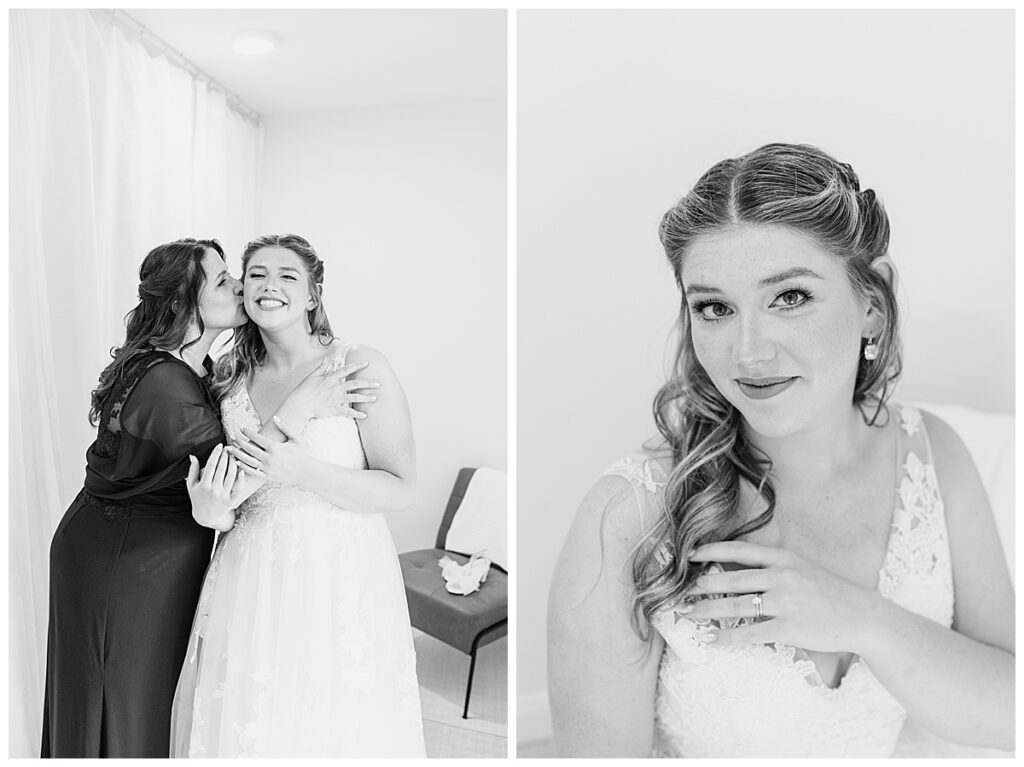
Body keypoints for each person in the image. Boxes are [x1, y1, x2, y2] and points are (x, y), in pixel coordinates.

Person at [547, 144, 1014, 757]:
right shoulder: (626, 518)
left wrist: (862, 618)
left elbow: (1010, 710)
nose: (749, 353)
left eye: (789, 297)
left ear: (873, 303)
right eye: (715, 308)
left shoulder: (931, 455)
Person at [170, 234, 425, 757]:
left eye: (287, 276)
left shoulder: (358, 365)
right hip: (250, 571)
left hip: (339, 569)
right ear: (242, 292)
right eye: (257, 275)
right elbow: (228, 491)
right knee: (252, 717)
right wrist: (212, 512)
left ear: (312, 295)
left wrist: (303, 470)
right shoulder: (226, 378)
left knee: (330, 718)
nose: (270, 286)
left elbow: (400, 488)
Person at [41, 238, 252, 757]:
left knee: (141, 703)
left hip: (139, 555)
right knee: (120, 705)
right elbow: (235, 474)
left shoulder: (189, 367)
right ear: (183, 302)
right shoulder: (165, 383)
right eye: (222, 280)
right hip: (126, 563)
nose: (239, 286)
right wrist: (305, 404)